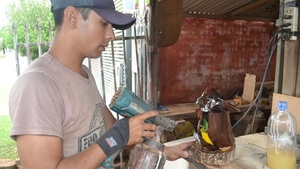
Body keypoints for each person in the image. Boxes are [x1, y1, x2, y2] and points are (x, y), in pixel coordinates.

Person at [9, 0, 192, 168]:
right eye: (104, 24)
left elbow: (113, 132)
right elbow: (114, 137)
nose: (111, 35)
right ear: (72, 17)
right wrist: (118, 136)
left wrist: (163, 151)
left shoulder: (84, 74)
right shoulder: (37, 85)